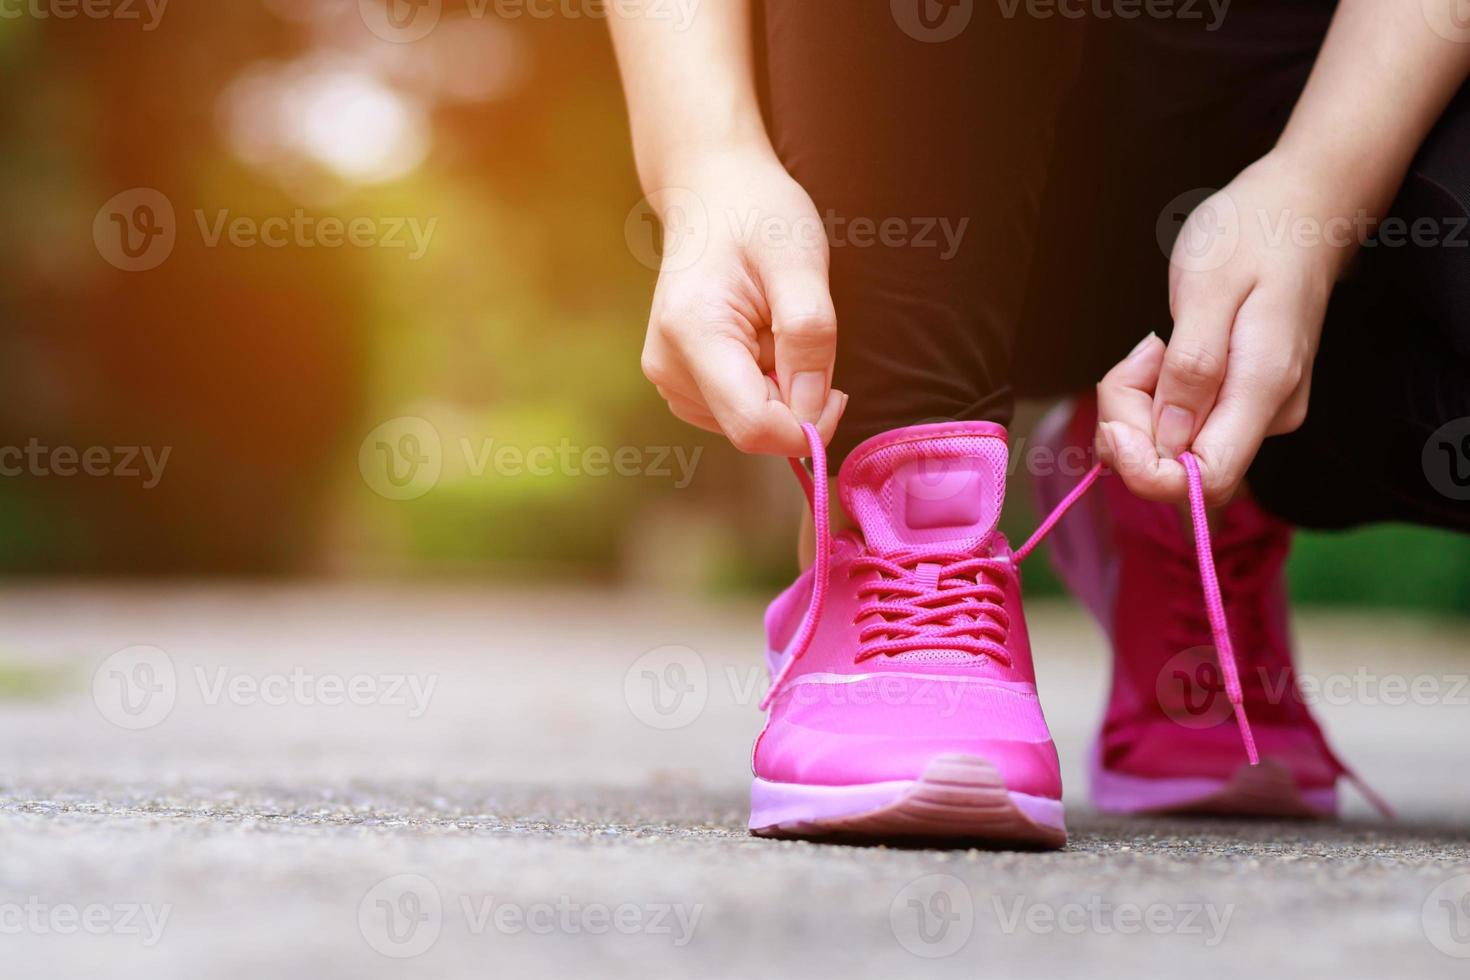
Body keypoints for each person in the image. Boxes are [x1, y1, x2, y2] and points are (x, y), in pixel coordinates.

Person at [609, 0, 1470, 846]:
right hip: (904, 108)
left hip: (1319, 110)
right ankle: (910, 508)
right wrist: (704, 169)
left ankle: (1184, 487)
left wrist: (1318, 197)